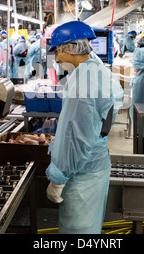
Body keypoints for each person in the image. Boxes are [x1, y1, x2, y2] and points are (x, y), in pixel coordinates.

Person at [45, 21, 123, 234]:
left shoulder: (83, 82)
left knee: (77, 230)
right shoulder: (95, 70)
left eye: (58, 51)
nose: (57, 58)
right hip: (93, 166)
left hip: (81, 172)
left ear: (70, 48)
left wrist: (58, 177)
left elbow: (75, 136)